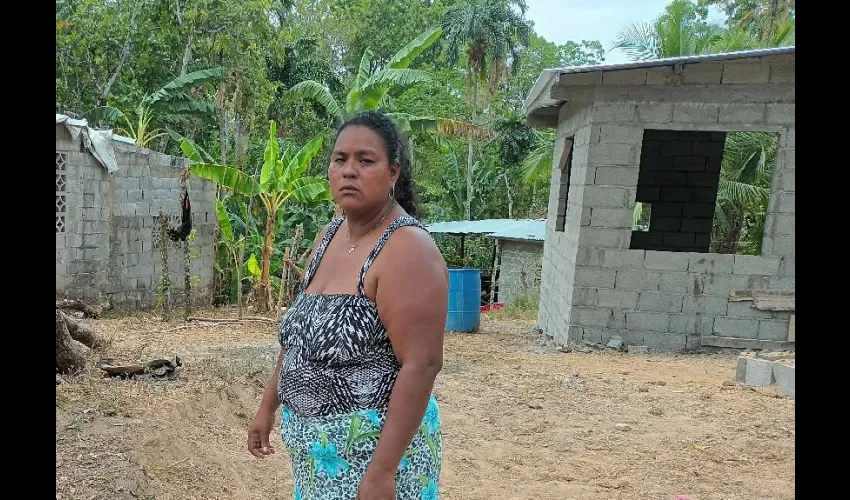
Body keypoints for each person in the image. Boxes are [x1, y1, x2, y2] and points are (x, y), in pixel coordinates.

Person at [248, 111, 448, 500]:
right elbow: (298, 338)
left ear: (393, 173)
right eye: (340, 159)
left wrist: (381, 473)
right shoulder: (329, 236)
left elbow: (422, 364)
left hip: (374, 459)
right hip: (318, 460)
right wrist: (267, 407)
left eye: (365, 160)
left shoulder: (406, 248)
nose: (349, 171)